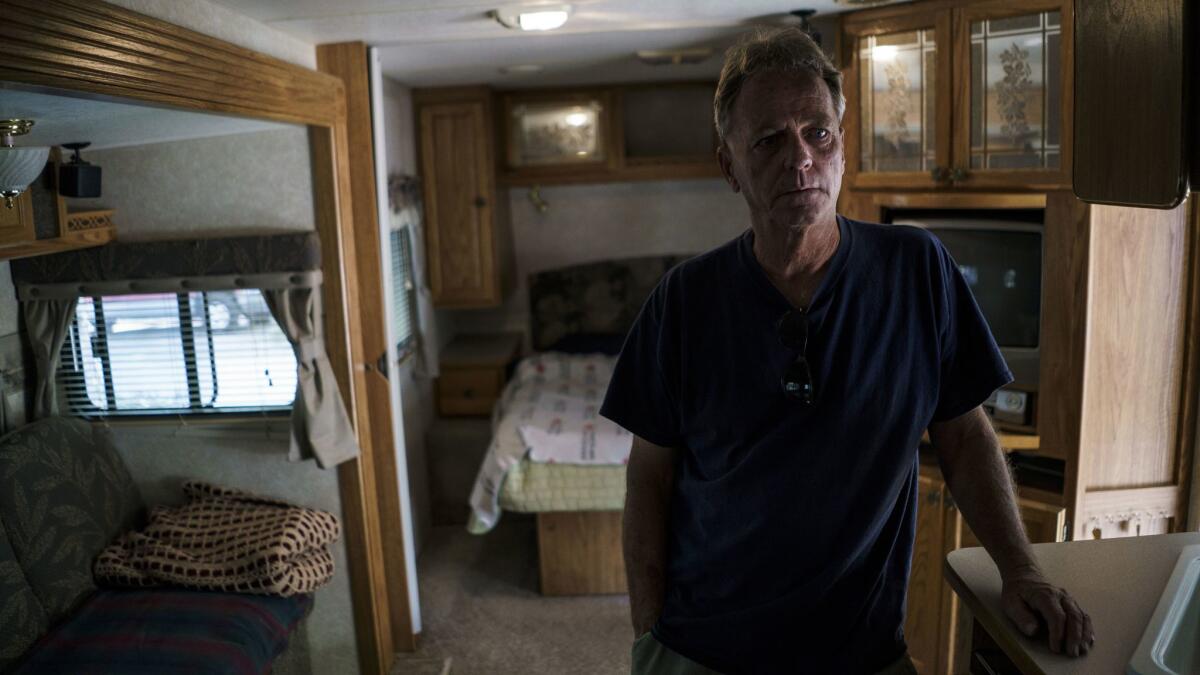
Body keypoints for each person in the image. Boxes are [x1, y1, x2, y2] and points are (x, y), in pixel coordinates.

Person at [599, 27, 1094, 675]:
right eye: (769, 139)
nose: (799, 158)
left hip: (863, 653)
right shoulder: (682, 303)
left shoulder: (918, 270)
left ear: (842, 145)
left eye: (818, 132)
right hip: (703, 648)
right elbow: (648, 476)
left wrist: (1023, 568)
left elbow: (966, 437)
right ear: (730, 166)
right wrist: (648, 633)